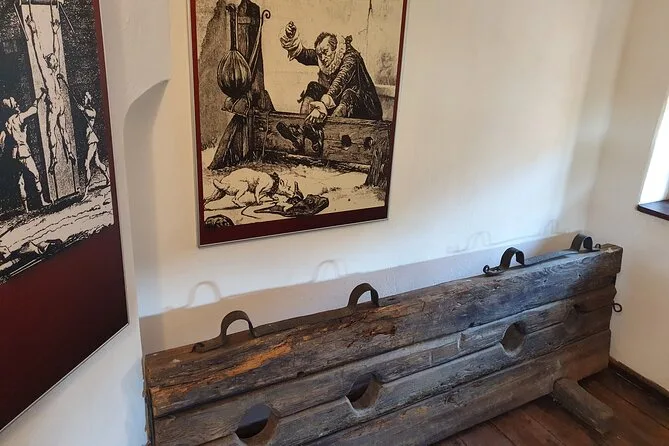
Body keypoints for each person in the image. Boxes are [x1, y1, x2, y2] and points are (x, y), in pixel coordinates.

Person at [276, 22, 383, 154]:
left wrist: (322, 105)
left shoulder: (351, 58)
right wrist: (290, 36)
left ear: (335, 47)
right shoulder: (324, 56)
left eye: (325, 52)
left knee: (349, 94)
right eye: (319, 54)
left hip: (365, 110)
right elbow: (304, 55)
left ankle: (326, 132)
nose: (322, 58)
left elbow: (340, 81)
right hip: (339, 106)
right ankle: (301, 130)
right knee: (313, 87)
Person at [25, 10, 76, 174]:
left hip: (55, 105)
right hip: (58, 104)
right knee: (63, 130)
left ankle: (55, 158)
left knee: (51, 131)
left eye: (53, 58)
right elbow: (49, 51)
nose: (54, 58)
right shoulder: (53, 71)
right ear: (51, 62)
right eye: (53, 58)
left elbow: (45, 51)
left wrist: (35, 31)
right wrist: (52, 32)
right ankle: (68, 152)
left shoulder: (49, 73)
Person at [0, 92, 50, 212]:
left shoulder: (7, 123)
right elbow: (33, 110)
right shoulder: (19, 118)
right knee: (36, 175)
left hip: (14, 154)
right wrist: (39, 98)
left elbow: (1, 139)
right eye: (16, 104)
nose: (18, 105)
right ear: (14, 108)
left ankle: (26, 208)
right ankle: (42, 201)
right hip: (23, 151)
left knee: (20, 181)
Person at [75, 91, 109, 197]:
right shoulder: (83, 110)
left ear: (89, 99)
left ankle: (86, 191)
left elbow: (90, 114)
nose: (83, 98)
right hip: (87, 140)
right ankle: (108, 178)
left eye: (85, 97)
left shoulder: (91, 110)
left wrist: (83, 109)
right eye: (83, 97)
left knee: (86, 164)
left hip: (91, 139)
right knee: (97, 162)